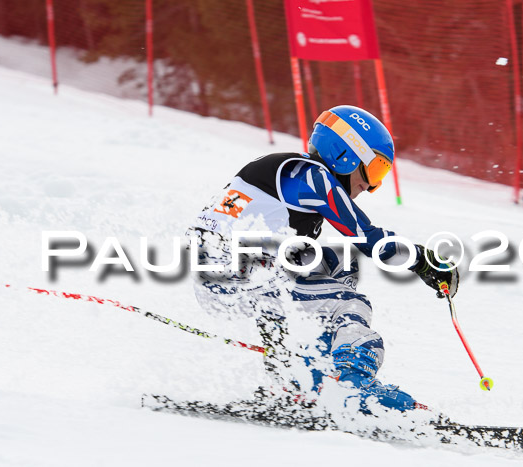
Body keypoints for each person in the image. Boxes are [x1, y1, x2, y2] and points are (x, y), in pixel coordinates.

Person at [189, 105, 458, 414]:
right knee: (350, 304)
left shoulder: (293, 174)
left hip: (231, 275)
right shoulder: (310, 175)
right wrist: (421, 260)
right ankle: (351, 388)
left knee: (339, 263)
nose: (372, 186)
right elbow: (363, 234)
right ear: (346, 154)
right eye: (375, 170)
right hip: (236, 275)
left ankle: (299, 380)